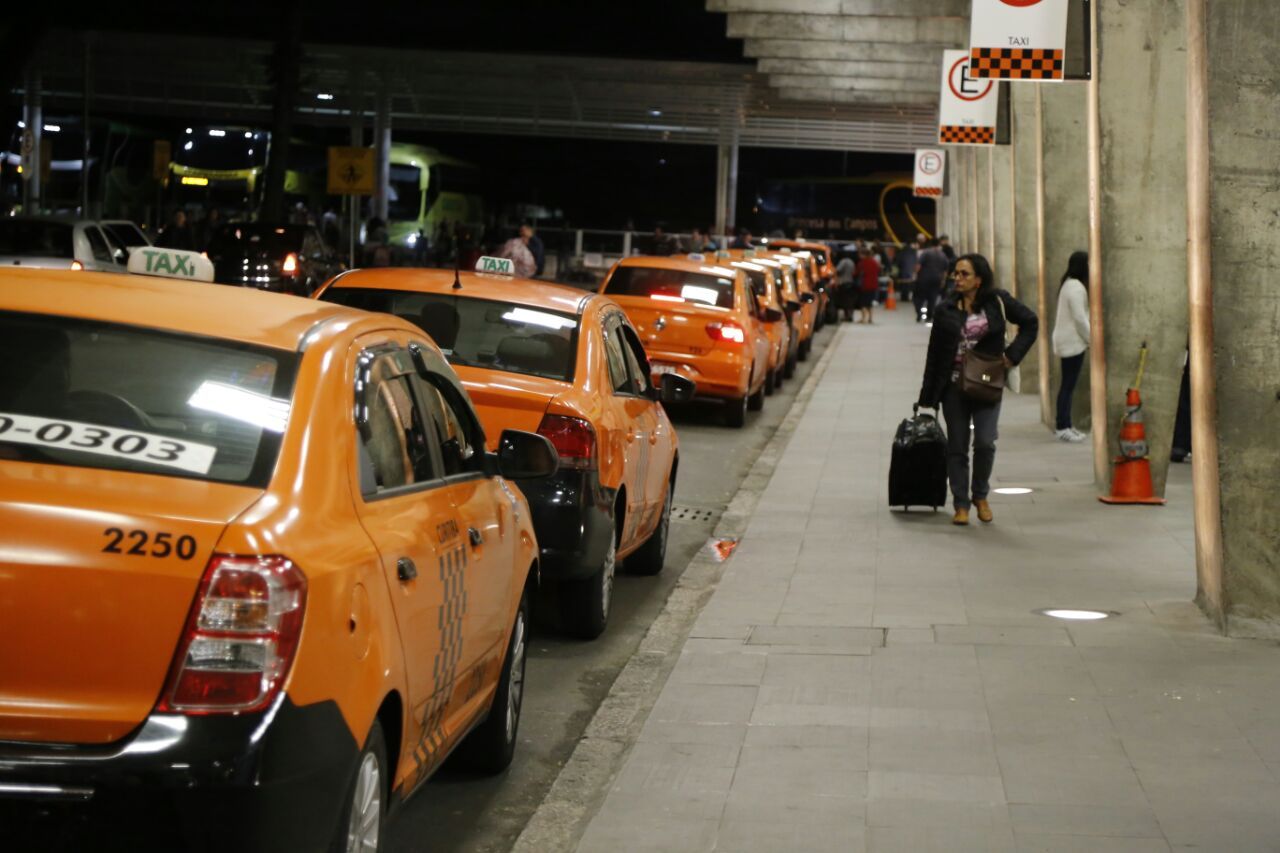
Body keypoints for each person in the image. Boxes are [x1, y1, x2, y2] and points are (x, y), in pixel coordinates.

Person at [918, 254, 1038, 526]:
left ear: (979, 279)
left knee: (985, 441)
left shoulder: (997, 302)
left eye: (964, 274)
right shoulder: (946, 308)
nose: (957, 279)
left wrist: (1011, 357)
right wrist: (927, 394)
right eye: (956, 274)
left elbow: (1031, 322)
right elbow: (934, 353)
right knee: (957, 446)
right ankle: (961, 504)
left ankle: (980, 495)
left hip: (987, 383)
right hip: (953, 387)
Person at [1051, 251, 1091, 442]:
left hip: (1068, 341)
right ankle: (1062, 426)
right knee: (1067, 386)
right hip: (1072, 342)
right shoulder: (1076, 287)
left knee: (1068, 385)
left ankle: (1067, 424)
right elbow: (1080, 318)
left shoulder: (1069, 284)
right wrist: (1091, 339)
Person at [914, 239, 948, 323]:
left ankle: (919, 314)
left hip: (924, 278)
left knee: (920, 297)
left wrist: (915, 275)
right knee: (932, 298)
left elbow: (919, 265)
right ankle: (929, 316)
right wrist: (943, 280)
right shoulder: (943, 255)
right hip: (937, 279)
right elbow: (945, 270)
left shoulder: (926, 252)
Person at [855, 246, 881, 324]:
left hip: (864, 285)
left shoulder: (862, 263)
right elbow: (878, 270)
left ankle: (863, 318)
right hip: (874, 285)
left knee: (862, 303)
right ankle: (870, 318)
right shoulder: (874, 262)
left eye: (860, 254)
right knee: (869, 303)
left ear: (863, 255)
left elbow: (856, 273)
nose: (859, 256)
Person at [834, 250, 856, 322]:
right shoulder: (852, 262)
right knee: (850, 300)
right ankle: (850, 315)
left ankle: (846, 316)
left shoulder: (843, 261)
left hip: (844, 282)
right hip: (851, 282)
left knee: (844, 301)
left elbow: (837, 270)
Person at [896, 238, 919, 302]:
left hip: (903, 268)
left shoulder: (901, 250)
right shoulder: (914, 251)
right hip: (910, 269)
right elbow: (916, 260)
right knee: (909, 283)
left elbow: (898, 260)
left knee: (903, 283)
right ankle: (908, 296)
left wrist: (899, 266)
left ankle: (904, 296)